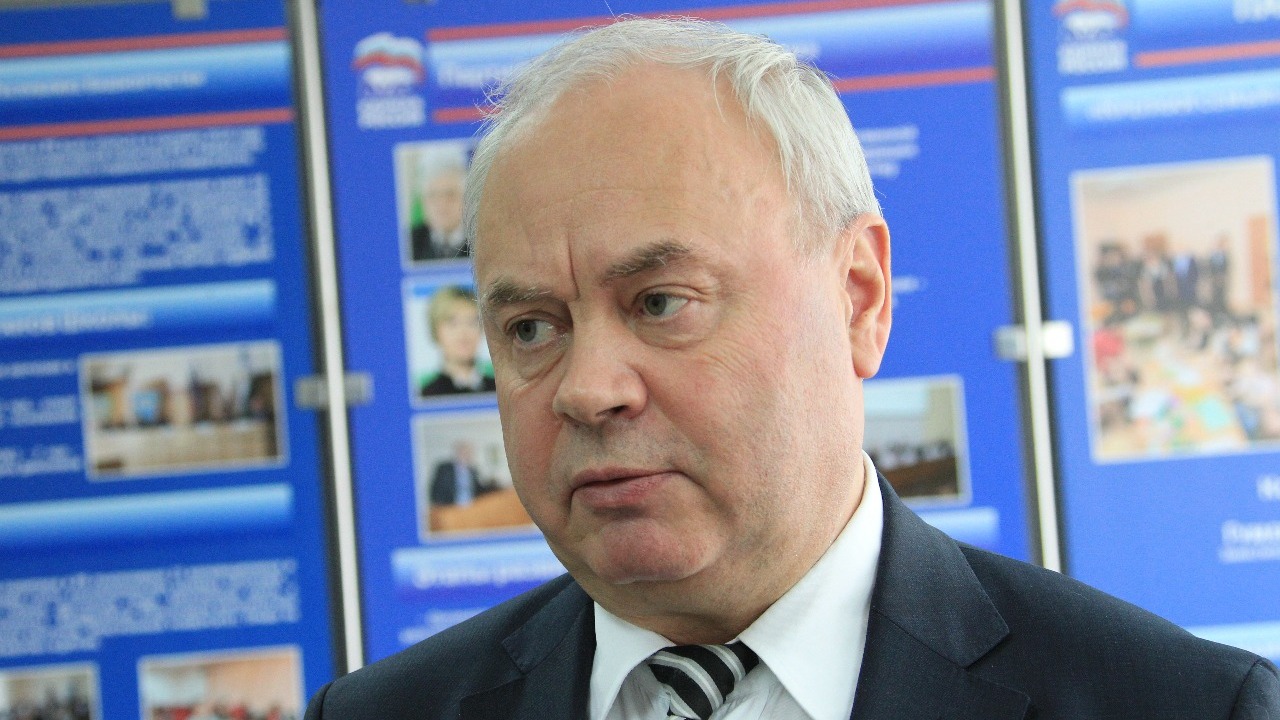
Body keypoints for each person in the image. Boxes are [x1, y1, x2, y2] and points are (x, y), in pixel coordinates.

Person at [307, 18, 1279, 720]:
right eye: (530, 327)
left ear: (858, 298)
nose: (587, 388)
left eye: (659, 303)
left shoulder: (1178, 704)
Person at [419, 285, 496, 397]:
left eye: (471, 322)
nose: (463, 333)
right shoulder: (427, 395)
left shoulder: (498, 389)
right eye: (453, 323)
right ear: (436, 331)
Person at [409, 162, 468, 261]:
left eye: (450, 194)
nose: (441, 204)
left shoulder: (482, 239)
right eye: (433, 195)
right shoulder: (410, 240)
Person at [428, 440, 493, 507]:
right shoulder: (444, 469)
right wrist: (439, 505)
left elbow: (477, 489)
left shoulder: (473, 470)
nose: (467, 455)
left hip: (471, 507)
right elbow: (436, 489)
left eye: (470, 452)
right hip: (450, 507)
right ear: (457, 452)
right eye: (464, 452)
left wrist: (492, 485)